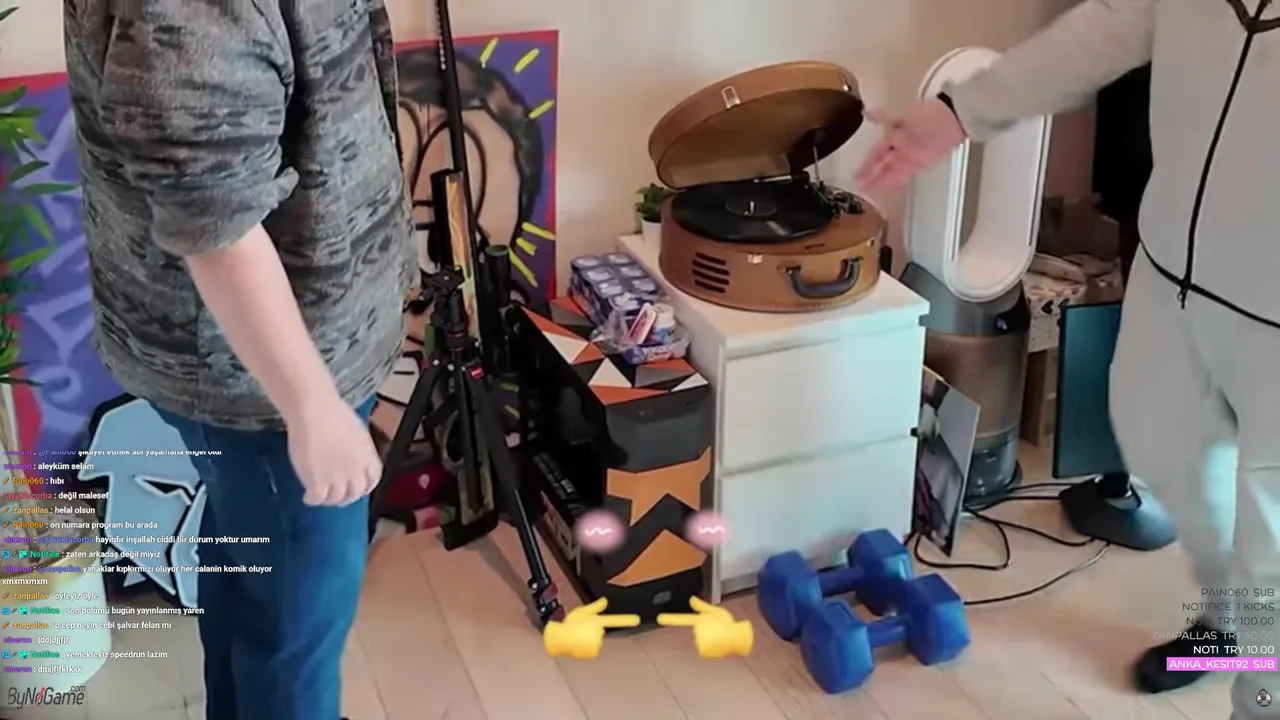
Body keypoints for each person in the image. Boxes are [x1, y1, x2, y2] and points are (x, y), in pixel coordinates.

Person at [855, 1, 1279, 716]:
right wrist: (960, 112)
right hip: (1171, 274)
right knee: (1166, 452)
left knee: (1271, 526)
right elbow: (1105, 28)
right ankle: (1229, 623)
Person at [64, 2, 414, 718]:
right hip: (265, 380)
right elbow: (216, 219)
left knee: (247, 557)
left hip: (279, 359)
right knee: (295, 628)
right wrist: (311, 406)